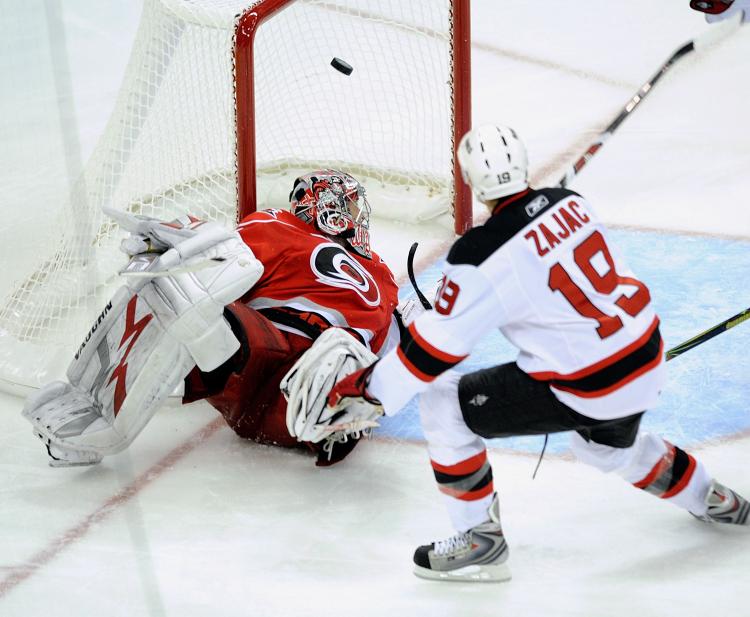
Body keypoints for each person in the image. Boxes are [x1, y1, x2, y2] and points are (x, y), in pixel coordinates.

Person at [314, 125, 749, 582]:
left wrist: (366, 391)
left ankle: (479, 538)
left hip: (591, 384)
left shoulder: (481, 255)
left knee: (444, 400)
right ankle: (713, 497)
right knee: (601, 449)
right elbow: (541, 244)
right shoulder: (572, 204)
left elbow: (431, 354)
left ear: (470, 181)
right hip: (645, 357)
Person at [23, 170, 400, 468]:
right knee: (181, 290)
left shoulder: (382, 273)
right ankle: (91, 406)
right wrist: (179, 245)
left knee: (342, 358)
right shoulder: (277, 226)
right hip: (261, 358)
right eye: (350, 208)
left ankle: (329, 409)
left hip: (304, 395)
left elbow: (397, 347)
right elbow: (221, 262)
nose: (357, 218)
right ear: (328, 208)